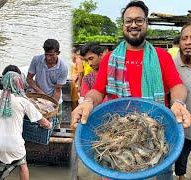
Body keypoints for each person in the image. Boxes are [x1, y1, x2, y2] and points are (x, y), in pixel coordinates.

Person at [71, 1, 191, 179]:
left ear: (146, 23)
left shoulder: (161, 56)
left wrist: (178, 103)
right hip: (118, 131)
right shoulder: (110, 59)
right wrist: (88, 102)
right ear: (123, 25)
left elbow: (177, 86)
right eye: (128, 21)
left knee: (161, 169)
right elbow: (97, 91)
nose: (133, 25)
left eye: (139, 20)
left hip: (156, 132)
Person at [0, 70, 52, 180]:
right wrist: (49, 126)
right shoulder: (23, 101)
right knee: (23, 165)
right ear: (19, 84)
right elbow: (44, 122)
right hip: (16, 146)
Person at [173, 23, 191, 180]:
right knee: (181, 156)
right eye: (184, 38)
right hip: (182, 128)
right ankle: (181, 175)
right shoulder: (171, 65)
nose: (188, 42)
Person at [27, 39, 68, 104]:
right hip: (37, 96)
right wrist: (41, 93)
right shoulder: (36, 60)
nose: (48, 58)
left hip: (54, 98)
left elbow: (57, 90)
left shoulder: (63, 68)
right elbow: (29, 79)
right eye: (46, 54)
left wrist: (52, 104)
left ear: (58, 53)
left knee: (53, 111)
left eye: (51, 55)